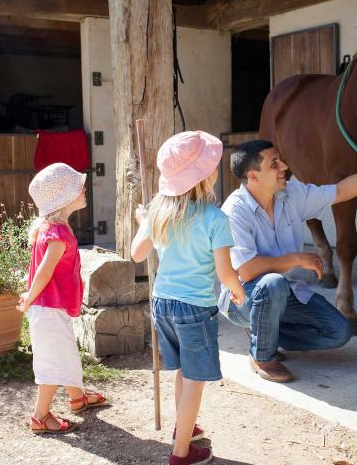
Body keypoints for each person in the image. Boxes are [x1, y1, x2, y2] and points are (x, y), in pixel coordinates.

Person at [219, 140, 357, 383]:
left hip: (285, 292)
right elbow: (248, 270)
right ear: (254, 176)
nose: (284, 166)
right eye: (275, 164)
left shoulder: (291, 193)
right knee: (273, 283)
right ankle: (262, 356)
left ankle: (263, 332)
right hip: (242, 299)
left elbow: (340, 191)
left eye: (280, 159)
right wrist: (297, 258)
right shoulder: (235, 211)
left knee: (339, 332)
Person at [131, 131, 245, 465]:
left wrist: (144, 222)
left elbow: (138, 254)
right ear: (204, 177)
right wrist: (238, 293)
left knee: (183, 370)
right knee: (195, 379)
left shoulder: (159, 211)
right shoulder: (215, 219)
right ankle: (181, 454)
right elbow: (225, 273)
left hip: (161, 304)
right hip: (194, 308)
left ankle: (185, 428)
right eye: (211, 166)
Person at [18, 162, 108, 434]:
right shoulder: (57, 234)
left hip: (50, 308)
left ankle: (77, 397)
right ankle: (40, 416)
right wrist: (29, 298)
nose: (83, 189)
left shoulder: (51, 227)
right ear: (63, 198)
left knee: (64, 354)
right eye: (77, 187)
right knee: (52, 362)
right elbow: (44, 272)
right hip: (48, 309)